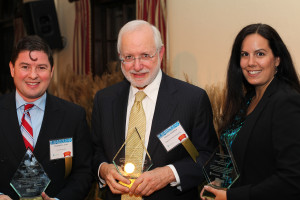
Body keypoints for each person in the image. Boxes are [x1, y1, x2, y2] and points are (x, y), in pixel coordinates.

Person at [91, 20, 218, 199]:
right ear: (120, 57)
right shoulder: (104, 100)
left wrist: (170, 173)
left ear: (161, 53)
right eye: (129, 57)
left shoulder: (192, 99)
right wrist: (103, 169)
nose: (137, 66)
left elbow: (209, 158)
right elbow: (95, 151)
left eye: (145, 55)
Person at [201, 23, 300, 200]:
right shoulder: (248, 99)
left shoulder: (286, 101)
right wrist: (221, 182)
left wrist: (231, 196)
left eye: (260, 54)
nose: (251, 62)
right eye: (244, 55)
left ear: (277, 60)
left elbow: (292, 179)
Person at [0, 35, 93, 200]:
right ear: (12, 69)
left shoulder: (73, 116)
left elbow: (84, 172)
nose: (33, 75)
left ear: (51, 71)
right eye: (25, 67)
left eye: (41, 67)